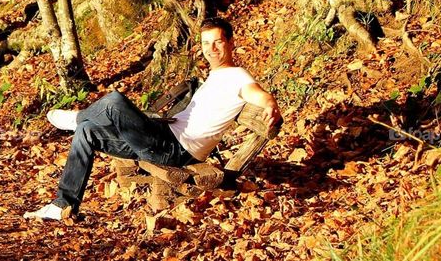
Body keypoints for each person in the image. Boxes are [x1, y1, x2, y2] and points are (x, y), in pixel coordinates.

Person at [24, 17, 281, 220]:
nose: (211, 49)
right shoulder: (215, 76)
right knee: (88, 131)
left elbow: (257, 93)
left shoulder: (237, 75)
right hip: (163, 137)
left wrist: (270, 106)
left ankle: (77, 117)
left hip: (175, 150)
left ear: (230, 42)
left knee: (113, 102)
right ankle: (63, 205)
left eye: (217, 42)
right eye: (205, 43)